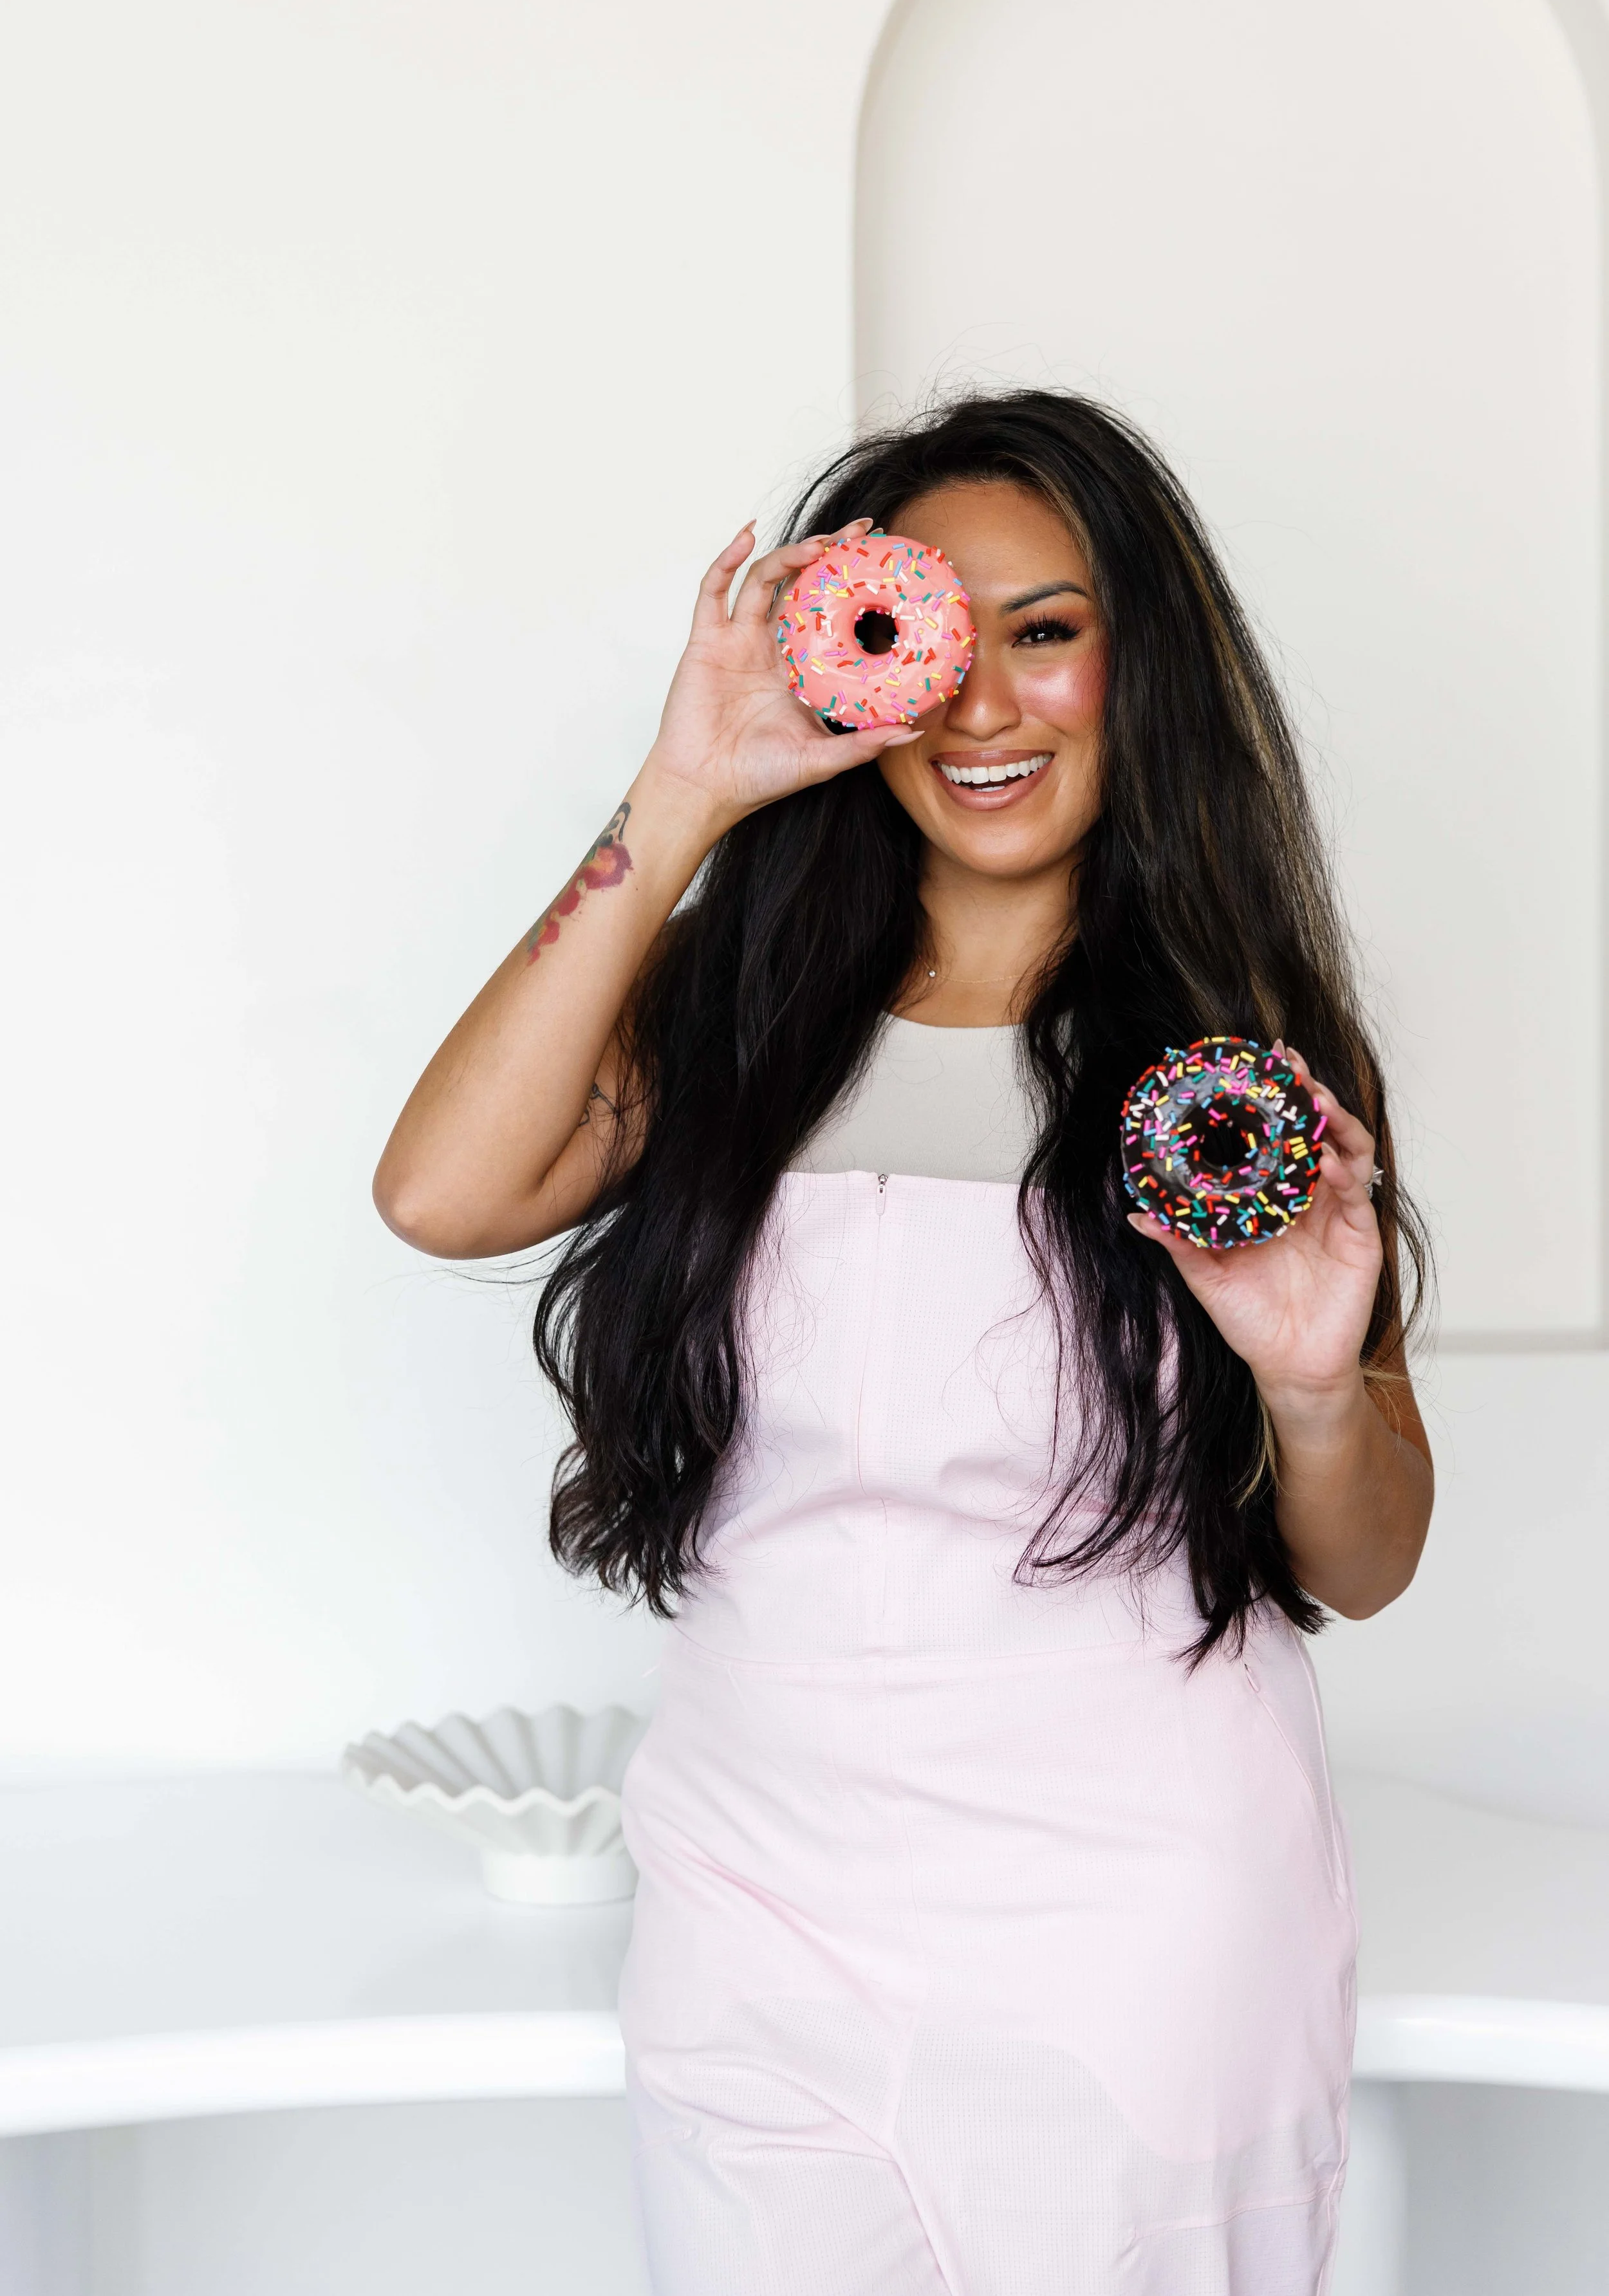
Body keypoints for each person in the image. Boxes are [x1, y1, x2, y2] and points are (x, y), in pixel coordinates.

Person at [374, 389, 1434, 2295]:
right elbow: (441, 1192)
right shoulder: (727, 1006)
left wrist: (1302, 1378)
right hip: (758, 1898)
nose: (983, 708)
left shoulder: (1232, 1062)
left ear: (1144, 658)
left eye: (1047, 630)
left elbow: (1359, 1560)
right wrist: (684, 787)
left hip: (1134, 1928)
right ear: (853, 666)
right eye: (924, 637)